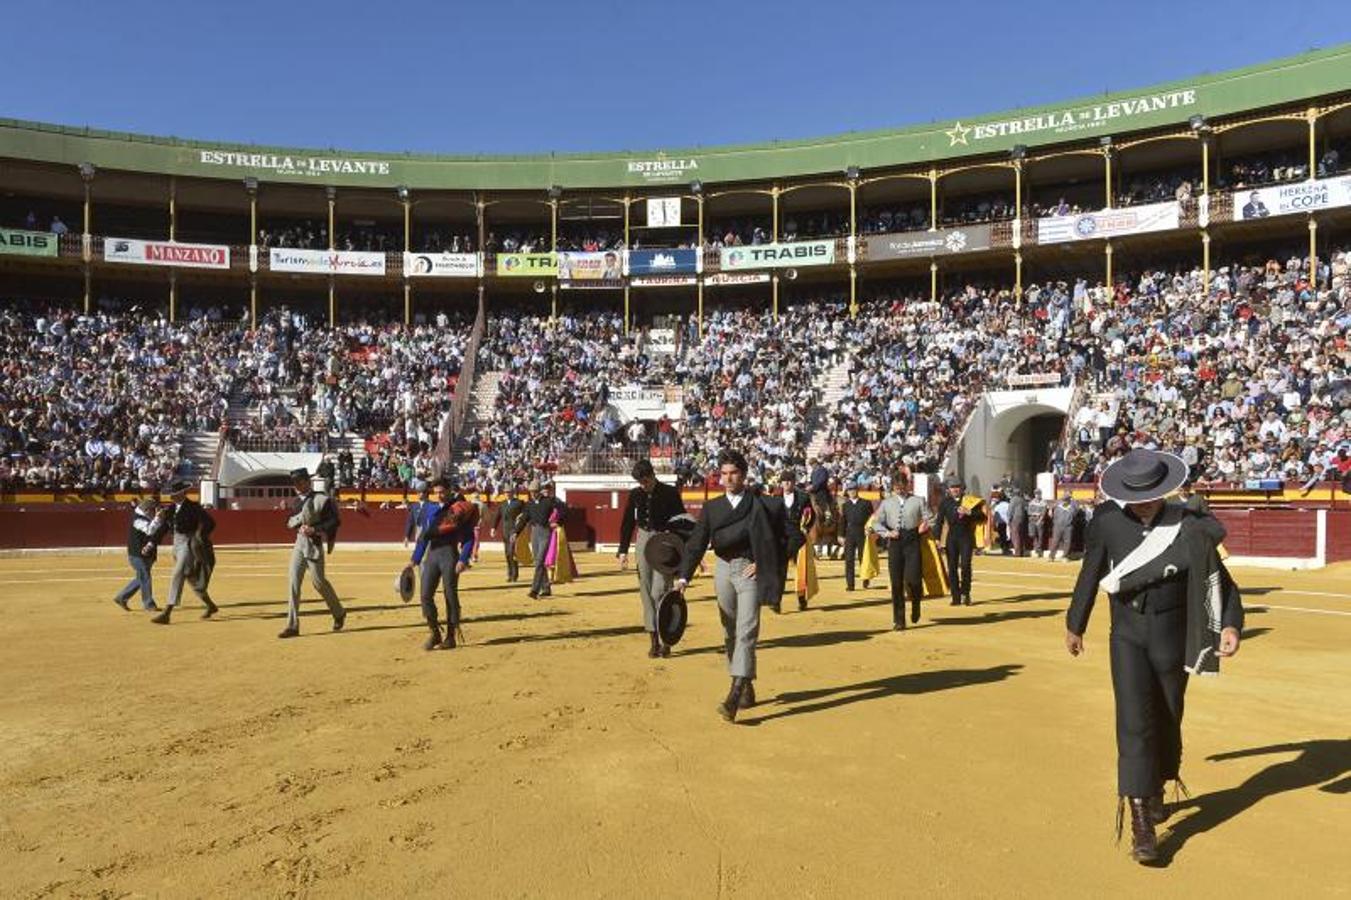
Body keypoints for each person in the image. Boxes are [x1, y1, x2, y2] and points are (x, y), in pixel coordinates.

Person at [1065, 449, 1244, 863]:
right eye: (1137, 496)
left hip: (1174, 634)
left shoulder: (1188, 525)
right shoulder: (1108, 522)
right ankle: (1141, 821)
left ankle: (1160, 780)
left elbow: (1222, 580)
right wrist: (1076, 623)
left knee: (1167, 714)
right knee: (1132, 721)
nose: (1144, 502)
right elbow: (1090, 573)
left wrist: (1231, 624)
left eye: (1152, 494)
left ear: (1166, 490)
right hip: (1126, 634)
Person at [673, 449, 782, 723]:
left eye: (734, 473)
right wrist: (684, 576)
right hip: (722, 569)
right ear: (719, 477)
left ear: (743, 475)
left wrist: (763, 561)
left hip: (748, 571)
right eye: (724, 474)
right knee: (730, 630)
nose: (729, 478)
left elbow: (784, 537)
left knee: (747, 630)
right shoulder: (713, 508)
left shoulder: (761, 504)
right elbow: (697, 542)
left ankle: (733, 694)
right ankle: (745, 683)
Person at [617, 459, 686, 659]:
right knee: (646, 590)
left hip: (664, 540)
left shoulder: (670, 493)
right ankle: (654, 640)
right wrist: (623, 550)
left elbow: (681, 522)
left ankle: (667, 638)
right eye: (640, 482)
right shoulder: (636, 494)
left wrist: (683, 550)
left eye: (645, 480)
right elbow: (628, 522)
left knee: (661, 591)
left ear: (652, 475)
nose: (643, 485)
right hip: (643, 539)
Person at [278, 467, 346, 639]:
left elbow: (335, 521)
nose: (296, 486)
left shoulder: (322, 500)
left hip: (314, 545)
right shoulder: (296, 502)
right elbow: (289, 522)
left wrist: (315, 529)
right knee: (293, 582)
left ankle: (338, 612)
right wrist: (295, 521)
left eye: (299, 482)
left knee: (319, 583)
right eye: (295, 483)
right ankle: (292, 625)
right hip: (299, 545)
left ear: (307, 482)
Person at [410, 478, 477, 650]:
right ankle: (434, 632)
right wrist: (415, 559)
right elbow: (424, 538)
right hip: (431, 555)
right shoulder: (429, 509)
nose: (439, 495)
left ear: (448, 491)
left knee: (450, 595)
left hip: (449, 555)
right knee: (425, 595)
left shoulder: (457, 509)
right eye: (436, 492)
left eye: (442, 491)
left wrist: (463, 559)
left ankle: (451, 636)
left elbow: (469, 537)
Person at [150, 481, 219, 624]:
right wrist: (152, 542)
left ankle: (167, 612)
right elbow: (164, 527)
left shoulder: (193, 507)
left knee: (178, 573)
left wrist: (200, 535)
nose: (171, 497)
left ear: (182, 493)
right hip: (176, 543)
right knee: (190, 578)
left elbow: (210, 522)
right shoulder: (171, 509)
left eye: (174, 495)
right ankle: (210, 605)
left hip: (188, 543)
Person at [872, 472, 929, 630]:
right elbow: (876, 523)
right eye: (897, 488)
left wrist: (925, 524)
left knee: (914, 580)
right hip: (895, 542)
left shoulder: (918, 500)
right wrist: (887, 533)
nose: (899, 490)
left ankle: (916, 602)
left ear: (907, 485)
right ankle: (899, 620)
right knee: (896, 583)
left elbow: (929, 517)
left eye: (902, 487)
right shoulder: (886, 503)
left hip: (912, 540)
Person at [113, 496, 169, 612]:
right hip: (136, 554)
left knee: (141, 578)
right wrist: (158, 518)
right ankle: (148, 604)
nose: (155, 512)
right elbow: (150, 530)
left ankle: (121, 597)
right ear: (147, 510)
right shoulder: (137, 520)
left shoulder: (145, 516)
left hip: (146, 554)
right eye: (153, 510)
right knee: (145, 576)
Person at [770, 469, 814, 612]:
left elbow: (810, 515)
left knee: (800, 570)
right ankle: (776, 601)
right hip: (781, 538)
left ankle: (802, 600)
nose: (787, 483)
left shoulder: (803, 497)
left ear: (794, 483)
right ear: (781, 483)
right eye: (784, 481)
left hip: (798, 537)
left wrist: (806, 527)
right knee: (780, 570)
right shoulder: (775, 498)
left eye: (790, 481)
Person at [933, 477, 978, 607]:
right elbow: (939, 521)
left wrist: (969, 512)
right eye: (952, 487)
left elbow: (982, 517)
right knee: (952, 567)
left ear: (962, 488)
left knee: (965, 565)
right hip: (952, 538)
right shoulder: (945, 502)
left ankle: (966, 593)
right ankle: (955, 596)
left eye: (957, 487)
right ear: (948, 490)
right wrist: (936, 538)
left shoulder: (970, 501)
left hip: (966, 537)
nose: (955, 489)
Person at [523, 480, 566, 599]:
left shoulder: (548, 501)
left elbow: (563, 509)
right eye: (531, 492)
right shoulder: (530, 503)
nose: (533, 494)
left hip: (545, 532)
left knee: (540, 561)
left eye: (535, 491)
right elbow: (524, 518)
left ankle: (534, 590)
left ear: (539, 491)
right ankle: (546, 588)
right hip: (534, 532)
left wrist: (558, 522)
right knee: (538, 561)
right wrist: (516, 532)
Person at [840, 478, 873, 591]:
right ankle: (850, 584)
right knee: (849, 559)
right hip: (850, 533)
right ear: (847, 492)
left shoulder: (866, 503)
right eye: (849, 490)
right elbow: (842, 521)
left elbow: (871, 518)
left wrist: (870, 529)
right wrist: (841, 535)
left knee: (863, 558)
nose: (851, 492)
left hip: (862, 532)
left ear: (857, 490)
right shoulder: (845, 505)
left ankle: (865, 578)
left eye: (853, 489)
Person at [499, 484, 526, 583]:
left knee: (511, 553)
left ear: (512, 493)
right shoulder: (502, 504)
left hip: (514, 530)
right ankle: (510, 574)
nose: (507, 494)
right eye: (506, 492)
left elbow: (525, 514)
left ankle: (514, 575)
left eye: (509, 492)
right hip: (505, 531)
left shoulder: (519, 503)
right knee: (507, 553)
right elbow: (498, 516)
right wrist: (493, 527)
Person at [1048, 495, 1078, 562]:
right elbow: (1051, 511)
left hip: (1068, 526)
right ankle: (1051, 556)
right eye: (1063, 500)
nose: (1064, 501)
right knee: (1055, 541)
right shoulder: (1058, 506)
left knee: (1067, 542)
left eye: (1066, 500)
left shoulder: (1072, 507)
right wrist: (1050, 510)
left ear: (1069, 501)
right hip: (1057, 526)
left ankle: (1065, 556)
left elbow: (1075, 514)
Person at [1026, 489, 1049, 557]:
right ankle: (1036, 547)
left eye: (1038, 494)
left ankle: (1039, 549)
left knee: (1040, 535)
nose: (1037, 495)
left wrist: (1040, 520)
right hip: (1032, 519)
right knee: (1033, 534)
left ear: (1040, 494)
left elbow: (1044, 512)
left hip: (1040, 519)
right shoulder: (1031, 502)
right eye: (1036, 494)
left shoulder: (1043, 502)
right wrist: (1033, 516)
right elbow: (1029, 512)